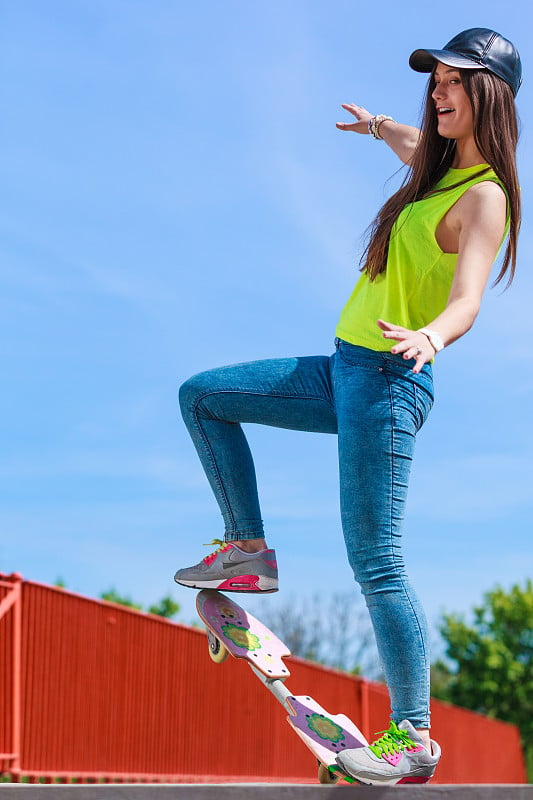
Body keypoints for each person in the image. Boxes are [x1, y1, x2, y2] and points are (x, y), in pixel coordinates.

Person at [175, 28, 521, 785]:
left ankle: (415, 736)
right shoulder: (431, 173)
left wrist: (430, 335)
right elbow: (409, 139)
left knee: (376, 561)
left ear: (488, 93)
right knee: (202, 397)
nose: (437, 91)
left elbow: (466, 300)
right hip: (343, 369)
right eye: (433, 81)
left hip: (393, 378)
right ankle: (245, 551)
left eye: (453, 81)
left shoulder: (484, 196)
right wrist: (377, 128)